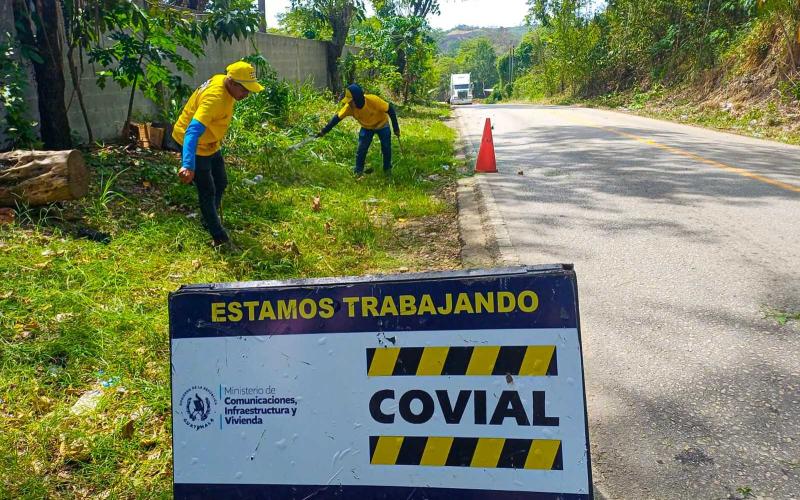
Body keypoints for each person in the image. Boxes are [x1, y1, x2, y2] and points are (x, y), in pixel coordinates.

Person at [172, 61, 263, 247]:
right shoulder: (214, 99)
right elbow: (192, 132)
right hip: (195, 144)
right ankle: (219, 236)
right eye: (245, 90)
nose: (247, 94)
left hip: (210, 143)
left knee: (221, 181)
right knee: (208, 190)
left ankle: (208, 218)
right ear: (232, 83)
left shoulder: (223, 81)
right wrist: (188, 165)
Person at [317, 83, 400, 176]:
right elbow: (336, 119)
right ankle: (358, 171)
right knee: (361, 149)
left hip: (382, 124)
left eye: (351, 101)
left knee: (386, 147)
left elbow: (390, 110)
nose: (349, 103)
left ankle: (387, 170)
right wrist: (324, 131)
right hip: (366, 127)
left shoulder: (373, 100)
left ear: (358, 98)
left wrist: (396, 128)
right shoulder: (349, 108)